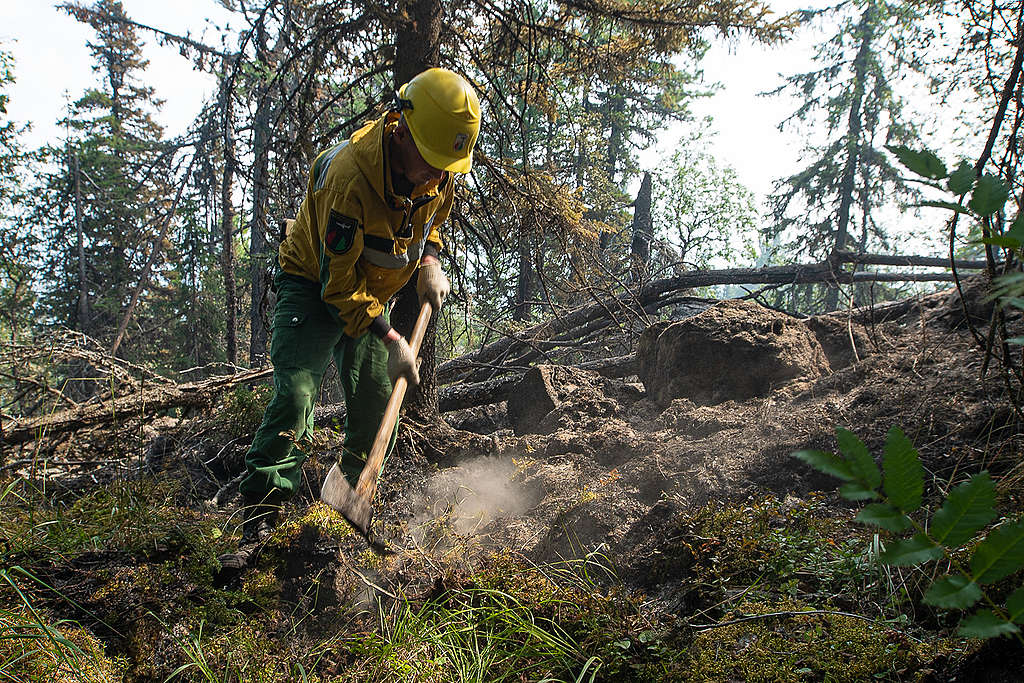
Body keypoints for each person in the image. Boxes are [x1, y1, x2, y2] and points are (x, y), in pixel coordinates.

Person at [219, 68, 480, 570]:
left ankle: (344, 506)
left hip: (373, 297)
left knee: (378, 404)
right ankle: (261, 522)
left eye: (445, 165)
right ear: (400, 128)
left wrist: (430, 261)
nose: (436, 173)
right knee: (296, 397)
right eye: (430, 159)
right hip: (315, 287)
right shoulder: (349, 180)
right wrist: (392, 337)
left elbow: (433, 223)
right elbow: (337, 287)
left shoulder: (439, 174)